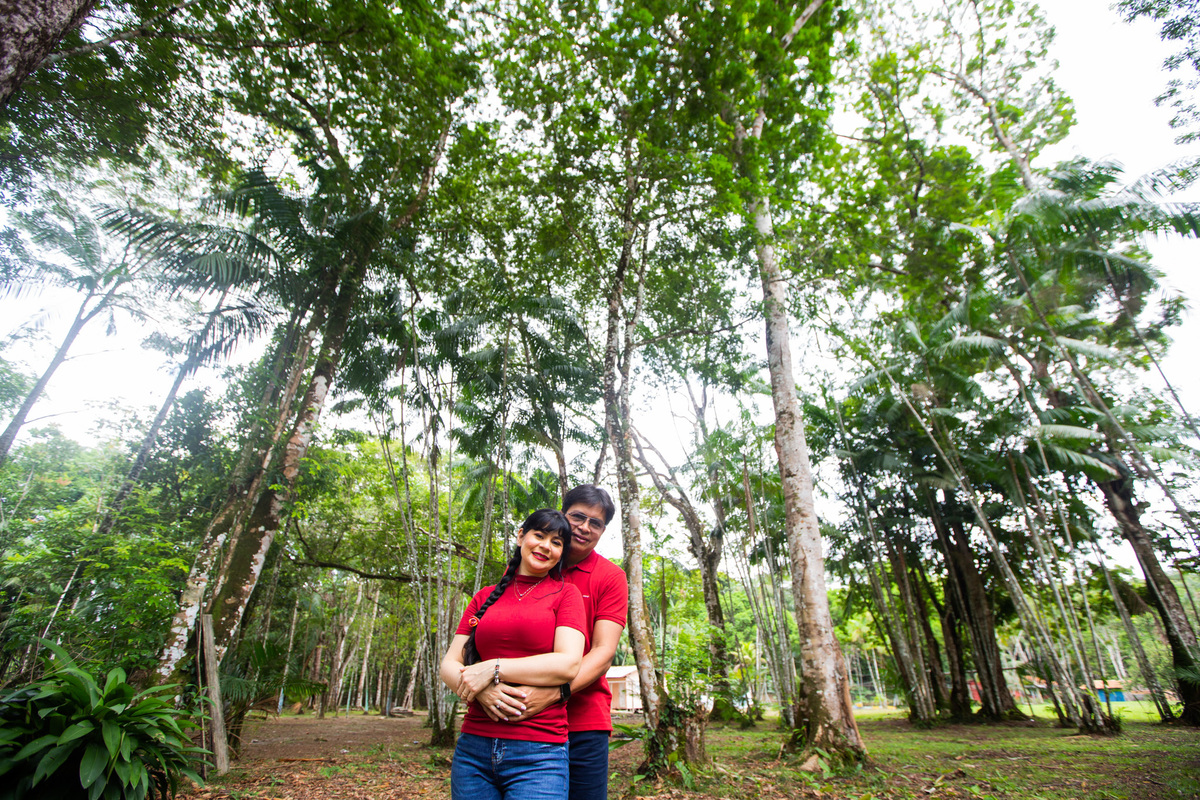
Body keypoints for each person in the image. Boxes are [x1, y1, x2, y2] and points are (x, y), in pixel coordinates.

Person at [475, 485, 628, 800]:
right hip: (518, 715)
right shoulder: (525, 565)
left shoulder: (610, 576)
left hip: (583, 721)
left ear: (603, 531)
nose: (584, 527)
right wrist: (484, 686)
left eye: (596, 523)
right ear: (562, 514)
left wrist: (555, 694)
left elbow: (603, 652)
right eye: (578, 517)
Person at [440, 509, 586, 800]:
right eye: (539, 535)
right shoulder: (483, 597)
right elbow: (449, 664)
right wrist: (482, 691)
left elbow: (567, 664)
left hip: (539, 753)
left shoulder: (566, 595)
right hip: (473, 750)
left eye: (557, 542)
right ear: (521, 536)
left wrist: (494, 668)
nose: (546, 546)